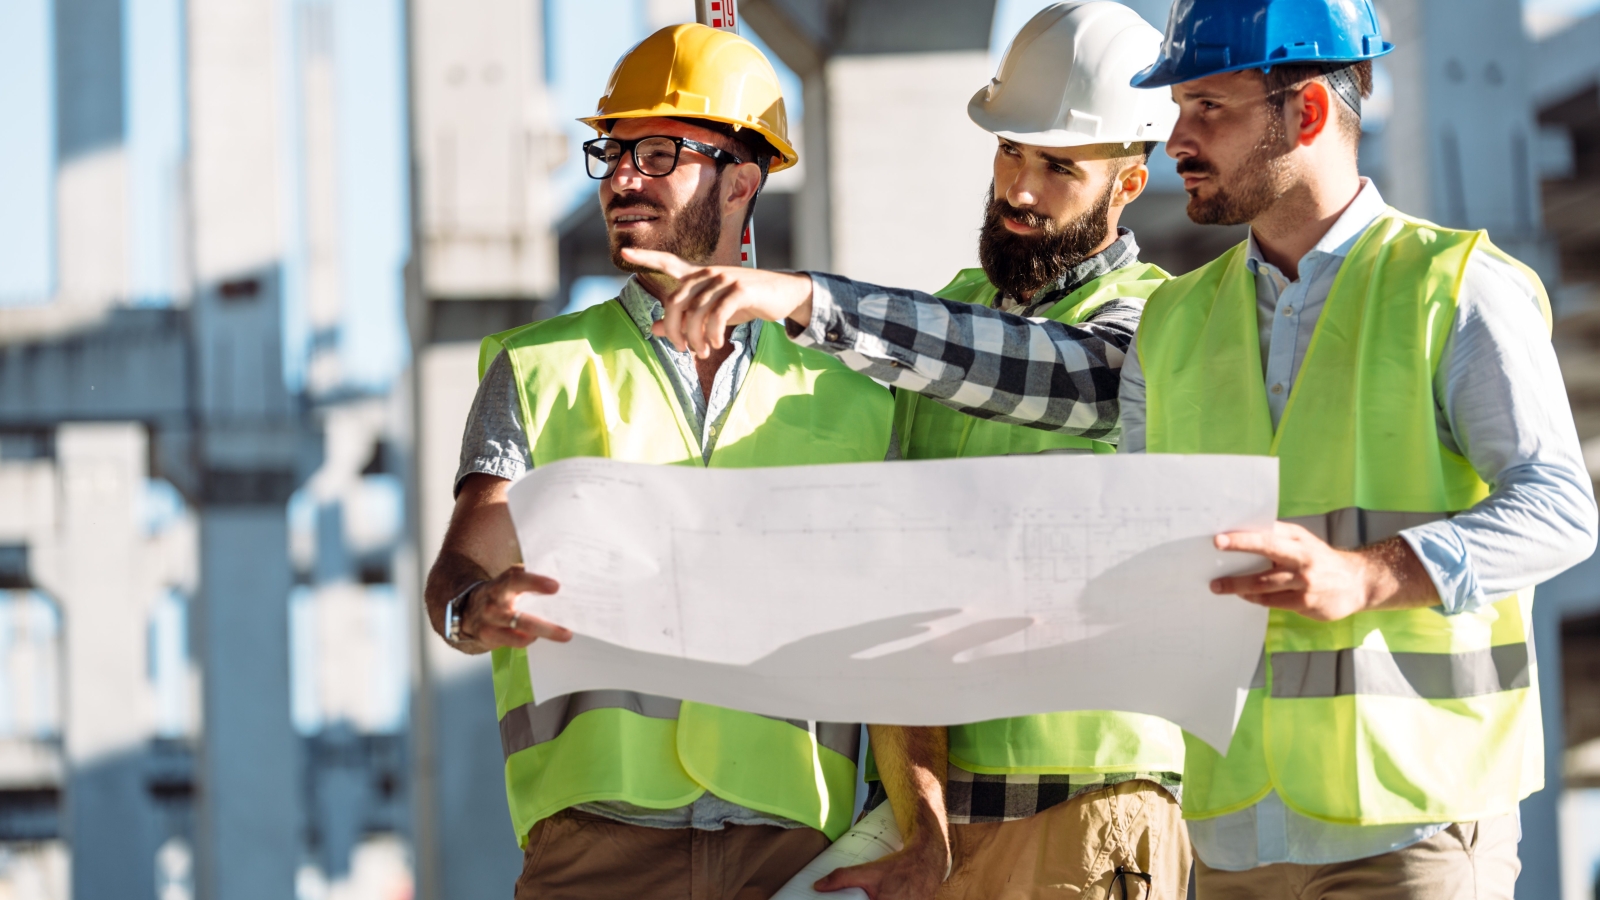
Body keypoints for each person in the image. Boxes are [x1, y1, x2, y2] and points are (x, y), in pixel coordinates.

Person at [623, 4, 1193, 897]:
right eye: (1010, 150)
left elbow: (1066, 378)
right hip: (942, 819)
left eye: (1058, 166)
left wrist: (808, 301)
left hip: (1092, 799)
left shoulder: (1157, 323)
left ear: (1129, 182)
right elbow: (902, 588)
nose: (1021, 190)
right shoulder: (952, 315)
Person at [1119, 0, 1598, 896]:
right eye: (1176, 111)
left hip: (1413, 826)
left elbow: (1561, 511)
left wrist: (1368, 574)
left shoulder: (1454, 290)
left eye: (1207, 109)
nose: (1175, 140)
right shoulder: (1169, 321)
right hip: (1230, 833)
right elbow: (1145, 543)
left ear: (1303, 114)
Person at [421, 24, 893, 900]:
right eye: (613, 153)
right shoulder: (536, 367)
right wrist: (472, 612)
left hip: (790, 849)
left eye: (660, 151)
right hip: (595, 852)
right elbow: (457, 573)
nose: (623, 177)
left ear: (742, 182)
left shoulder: (851, 393)